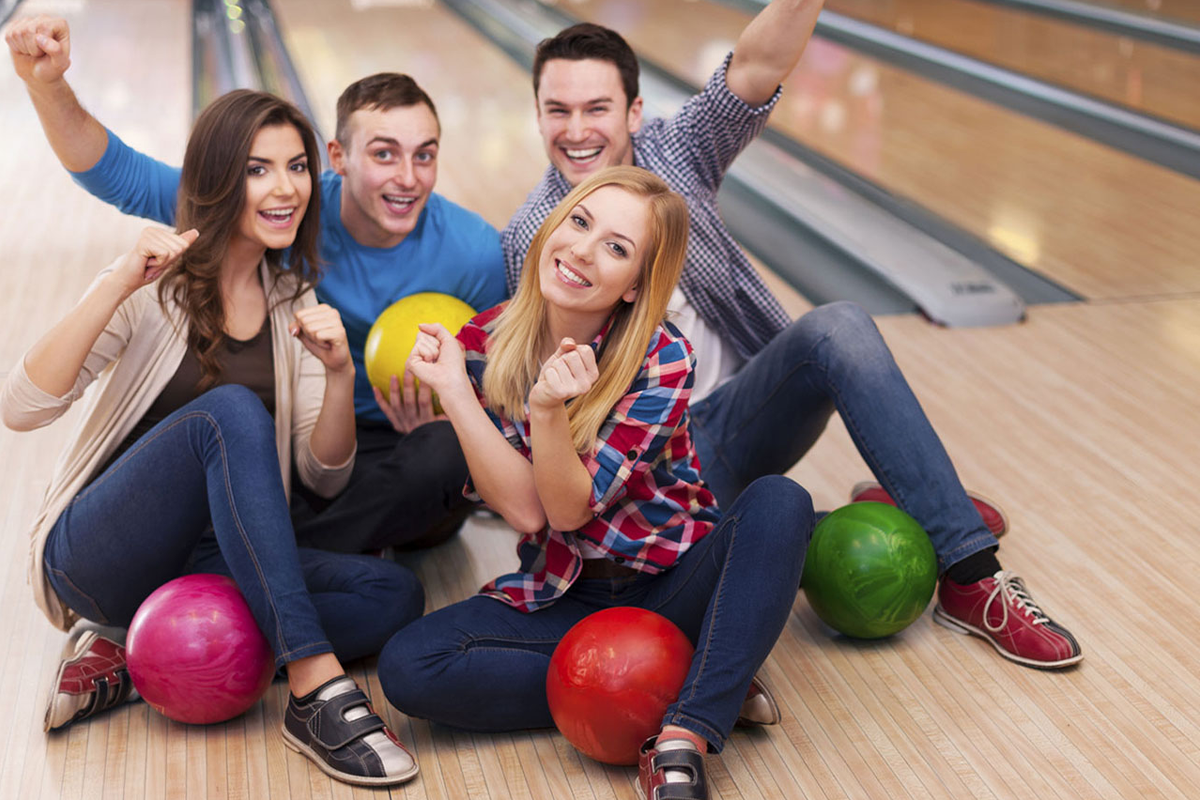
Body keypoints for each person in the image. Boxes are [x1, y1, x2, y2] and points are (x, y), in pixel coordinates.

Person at [500, 10, 1082, 670]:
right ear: (537, 115)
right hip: (648, 479)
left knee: (840, 326)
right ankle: (919, 500)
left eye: (596, 108)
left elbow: (756, 66)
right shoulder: (530, 239)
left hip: (739, 419)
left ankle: (971, 575)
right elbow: (534, 414)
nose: (577, 131)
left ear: (635, 112)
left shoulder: (675, 155)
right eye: (558, 110)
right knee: (772, 538)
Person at [1, 90, 421, 787]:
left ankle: (133, 656)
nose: (286, 188)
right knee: (227, 411)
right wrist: (114, 284)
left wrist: (340, 375)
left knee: (392, 594)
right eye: (259, 169)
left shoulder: (295, 300)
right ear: (219, 178)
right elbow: (20, 408)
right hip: (101, 556)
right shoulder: (151, 286)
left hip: (211, 561)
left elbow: (322, 476)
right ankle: (313, 688)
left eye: (297, 166)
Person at [375, 166, 814, 799]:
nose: (582, 249)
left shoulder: (662, 358)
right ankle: (692, 673)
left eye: (616, 247)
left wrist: (547, 409)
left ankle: (686, 732)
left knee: (781, 502)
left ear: (635, 285)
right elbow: (527, 513)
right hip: (564, 596)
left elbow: (568, 509)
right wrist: (454, 391)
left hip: (673, 586)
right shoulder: (480, 344)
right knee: (410, 666)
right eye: (579, 222)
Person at [6, 16, 507, 555]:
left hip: (392, 448)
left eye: (424, 154)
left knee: (444, 457)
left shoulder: (474, 250)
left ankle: (269, 558)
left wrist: (452, 411)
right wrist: (48, 84)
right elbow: (117, 173)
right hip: (292, 440)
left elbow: (503, 380)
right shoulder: (281, 209)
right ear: (339, 158)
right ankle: (293, 559)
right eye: (384, 153)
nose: (408, 177)